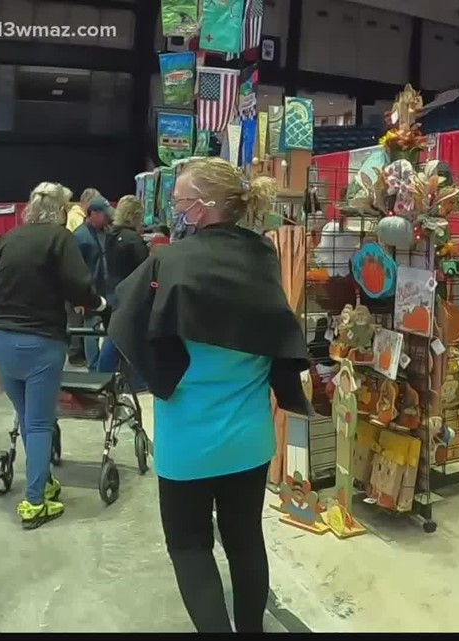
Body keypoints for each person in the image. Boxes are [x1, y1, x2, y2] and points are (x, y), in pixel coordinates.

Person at [108, 157, 310, 633]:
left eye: (179, 202)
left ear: (201, 208)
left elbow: (127, 324)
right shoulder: (264, 259)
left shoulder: (168, 262)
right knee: (245, 541)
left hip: (187, 442)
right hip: (249, 438)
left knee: (190, 545)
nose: (176, 209)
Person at [0, 182, 106, 529]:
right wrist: (100, 304)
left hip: (2, 341)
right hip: (42, 342)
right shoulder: (60, 239)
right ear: (61, 210)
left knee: (25, 414)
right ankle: (35, 502)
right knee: (38, 422)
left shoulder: (8, 239)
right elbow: (81, 286)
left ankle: (42, 477)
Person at [95, 196, 148, 380]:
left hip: (112, 291)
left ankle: (105, 375)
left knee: (116, 337)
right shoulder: (133, 240)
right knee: (125, 340)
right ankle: (107, 377)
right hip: (130, 295)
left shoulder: (110, 236)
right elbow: (145, 270)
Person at [73, 196, 113, 370]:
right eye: (104, 214)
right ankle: (94, 367)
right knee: (92, 330)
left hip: (109, 290)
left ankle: (104, 366)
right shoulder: (79, 236)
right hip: (91, 291)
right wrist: (78, 298)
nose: (107, 217)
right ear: (93, 213)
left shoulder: (107, 232)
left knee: (109, 330)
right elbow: (75, 268)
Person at [65, 188, 102, 364]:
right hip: (78, 285)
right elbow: (76, 262)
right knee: (79, 322)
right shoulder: (78, 225)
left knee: (83, 323)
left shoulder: (84, 226)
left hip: (83, 284)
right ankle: (76, 356)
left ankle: (84, 357)